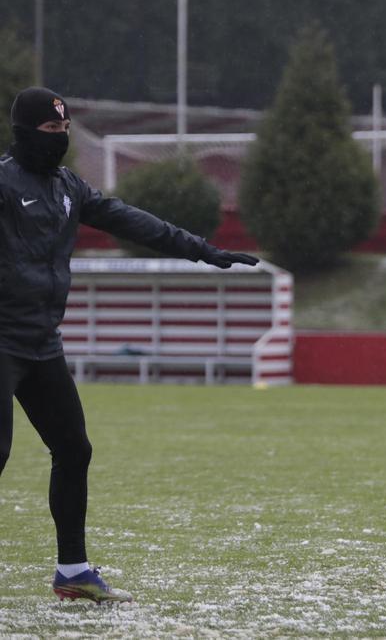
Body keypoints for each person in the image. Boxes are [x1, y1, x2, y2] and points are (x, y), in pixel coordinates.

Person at [0, 87, 258, 604]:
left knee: (73, 448)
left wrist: (202, 251)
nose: (60, 139)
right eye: (51, 131)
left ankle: (72, 571)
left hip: (41, 344)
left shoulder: (68, 187)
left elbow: (130, 219)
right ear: (25, 133)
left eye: (65, 130)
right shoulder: (4, 182)